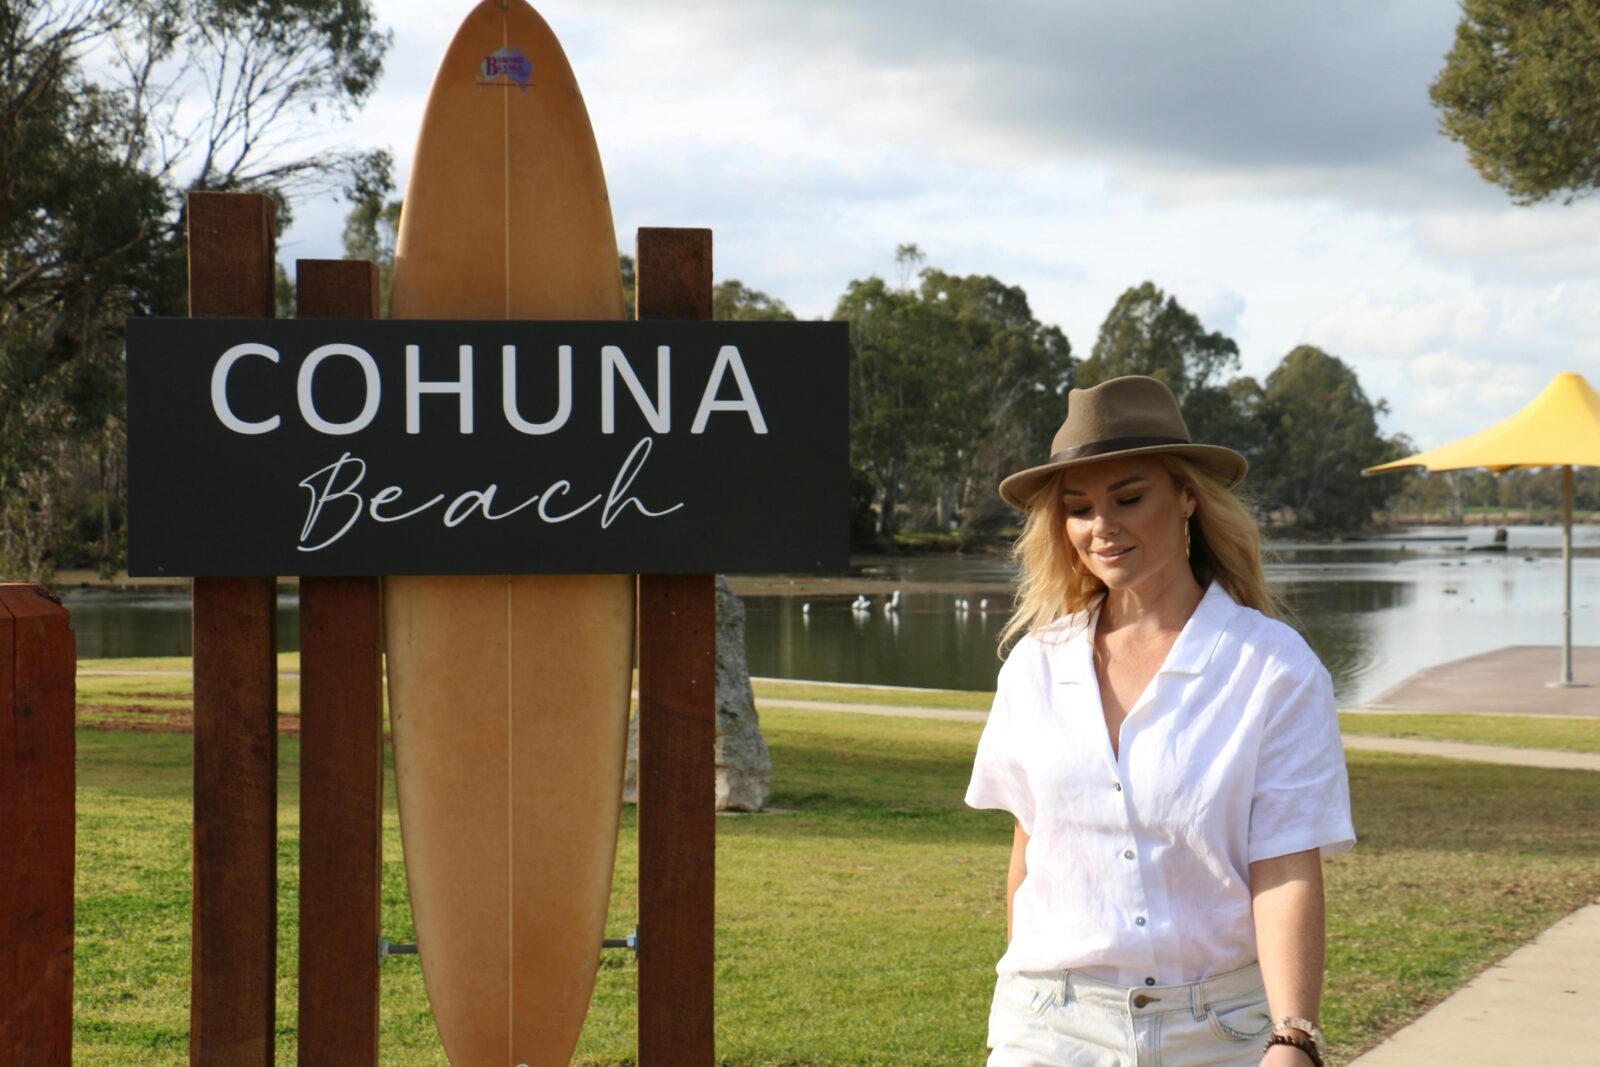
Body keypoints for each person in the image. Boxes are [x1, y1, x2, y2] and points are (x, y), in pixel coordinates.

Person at [966, 375, 1354, 1067]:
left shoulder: (1271, 668)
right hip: (1050, 1027)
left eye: (1128, 497)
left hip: (1219, 1033)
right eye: (1078, 507)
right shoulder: (1035, 666)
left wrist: (1293, 1034)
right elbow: (1030, 848)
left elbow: (1287, 864)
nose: (1101, 526)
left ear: (1186, 497)